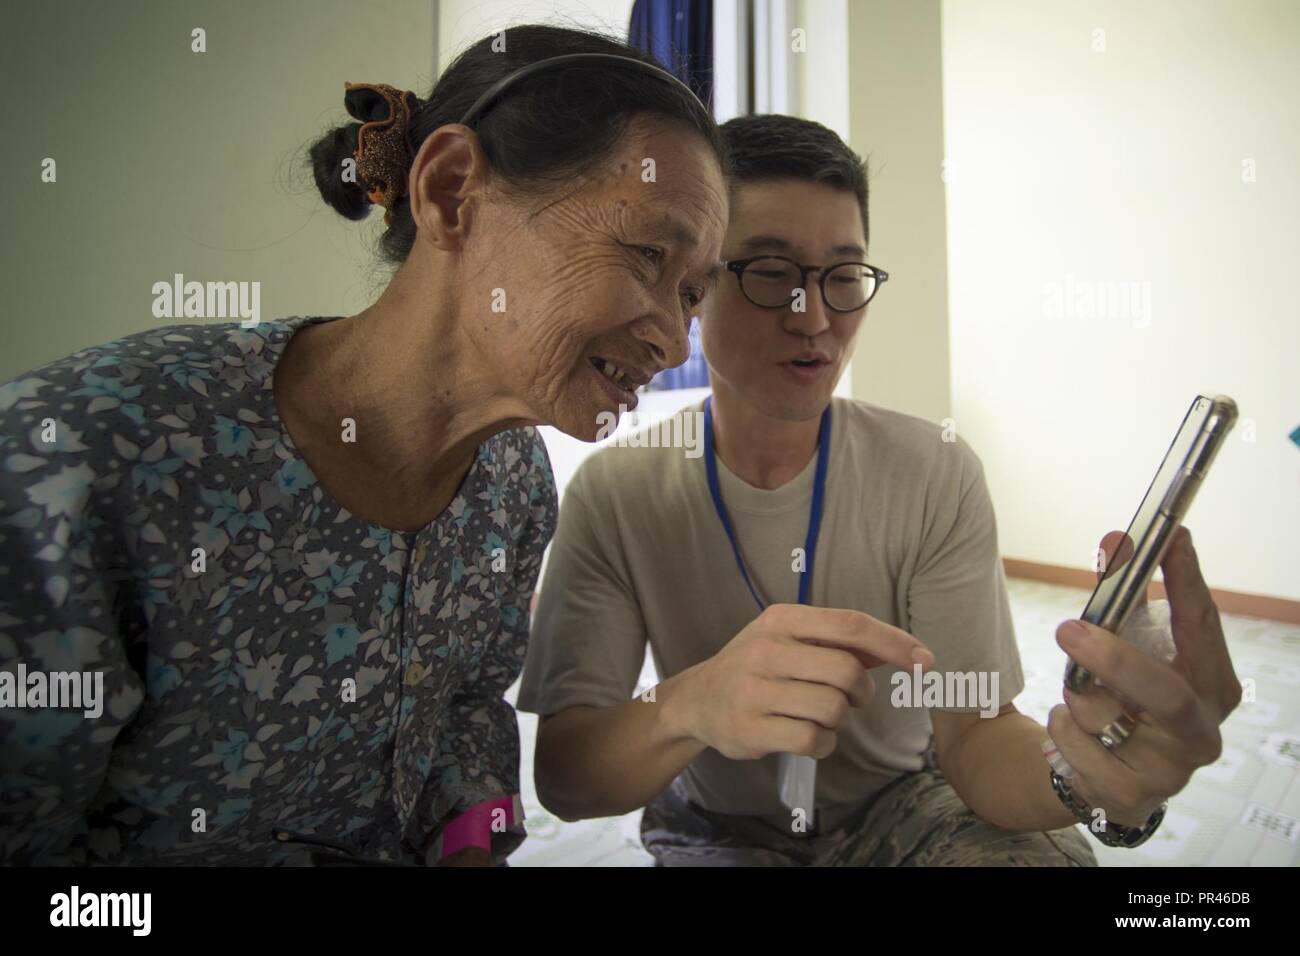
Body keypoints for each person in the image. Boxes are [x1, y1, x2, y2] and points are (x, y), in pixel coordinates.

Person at [0, 25, 727, 865]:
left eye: (692, 295)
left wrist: (470, 846)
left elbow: (464, 720)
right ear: (451, 192)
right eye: (647, 253)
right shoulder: (87, 457)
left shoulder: (514, 486)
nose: (674, 341)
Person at [518, 114, 1243, 866]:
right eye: (770, 272)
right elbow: (568, 775)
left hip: (903, 800)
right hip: (717, 827)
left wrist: (1090, 772)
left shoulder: (933, 472)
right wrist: (688, 705)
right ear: (693, 285)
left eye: (843, 276)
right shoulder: (617, 494)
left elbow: (976, 735)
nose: (815, 319)